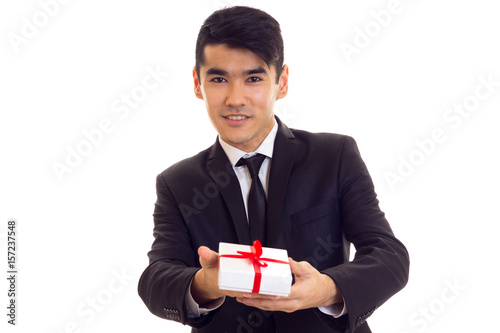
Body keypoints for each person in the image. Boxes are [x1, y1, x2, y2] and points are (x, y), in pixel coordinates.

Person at [138, 6, 409, 333]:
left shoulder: (334, 156)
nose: (235, 99)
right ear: (198, 84)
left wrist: (326, 288)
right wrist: (203, 284)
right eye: (219, 79)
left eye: (253, 78)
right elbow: (155, 278)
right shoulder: (177, 182)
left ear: (282, 83)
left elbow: (389, 255)